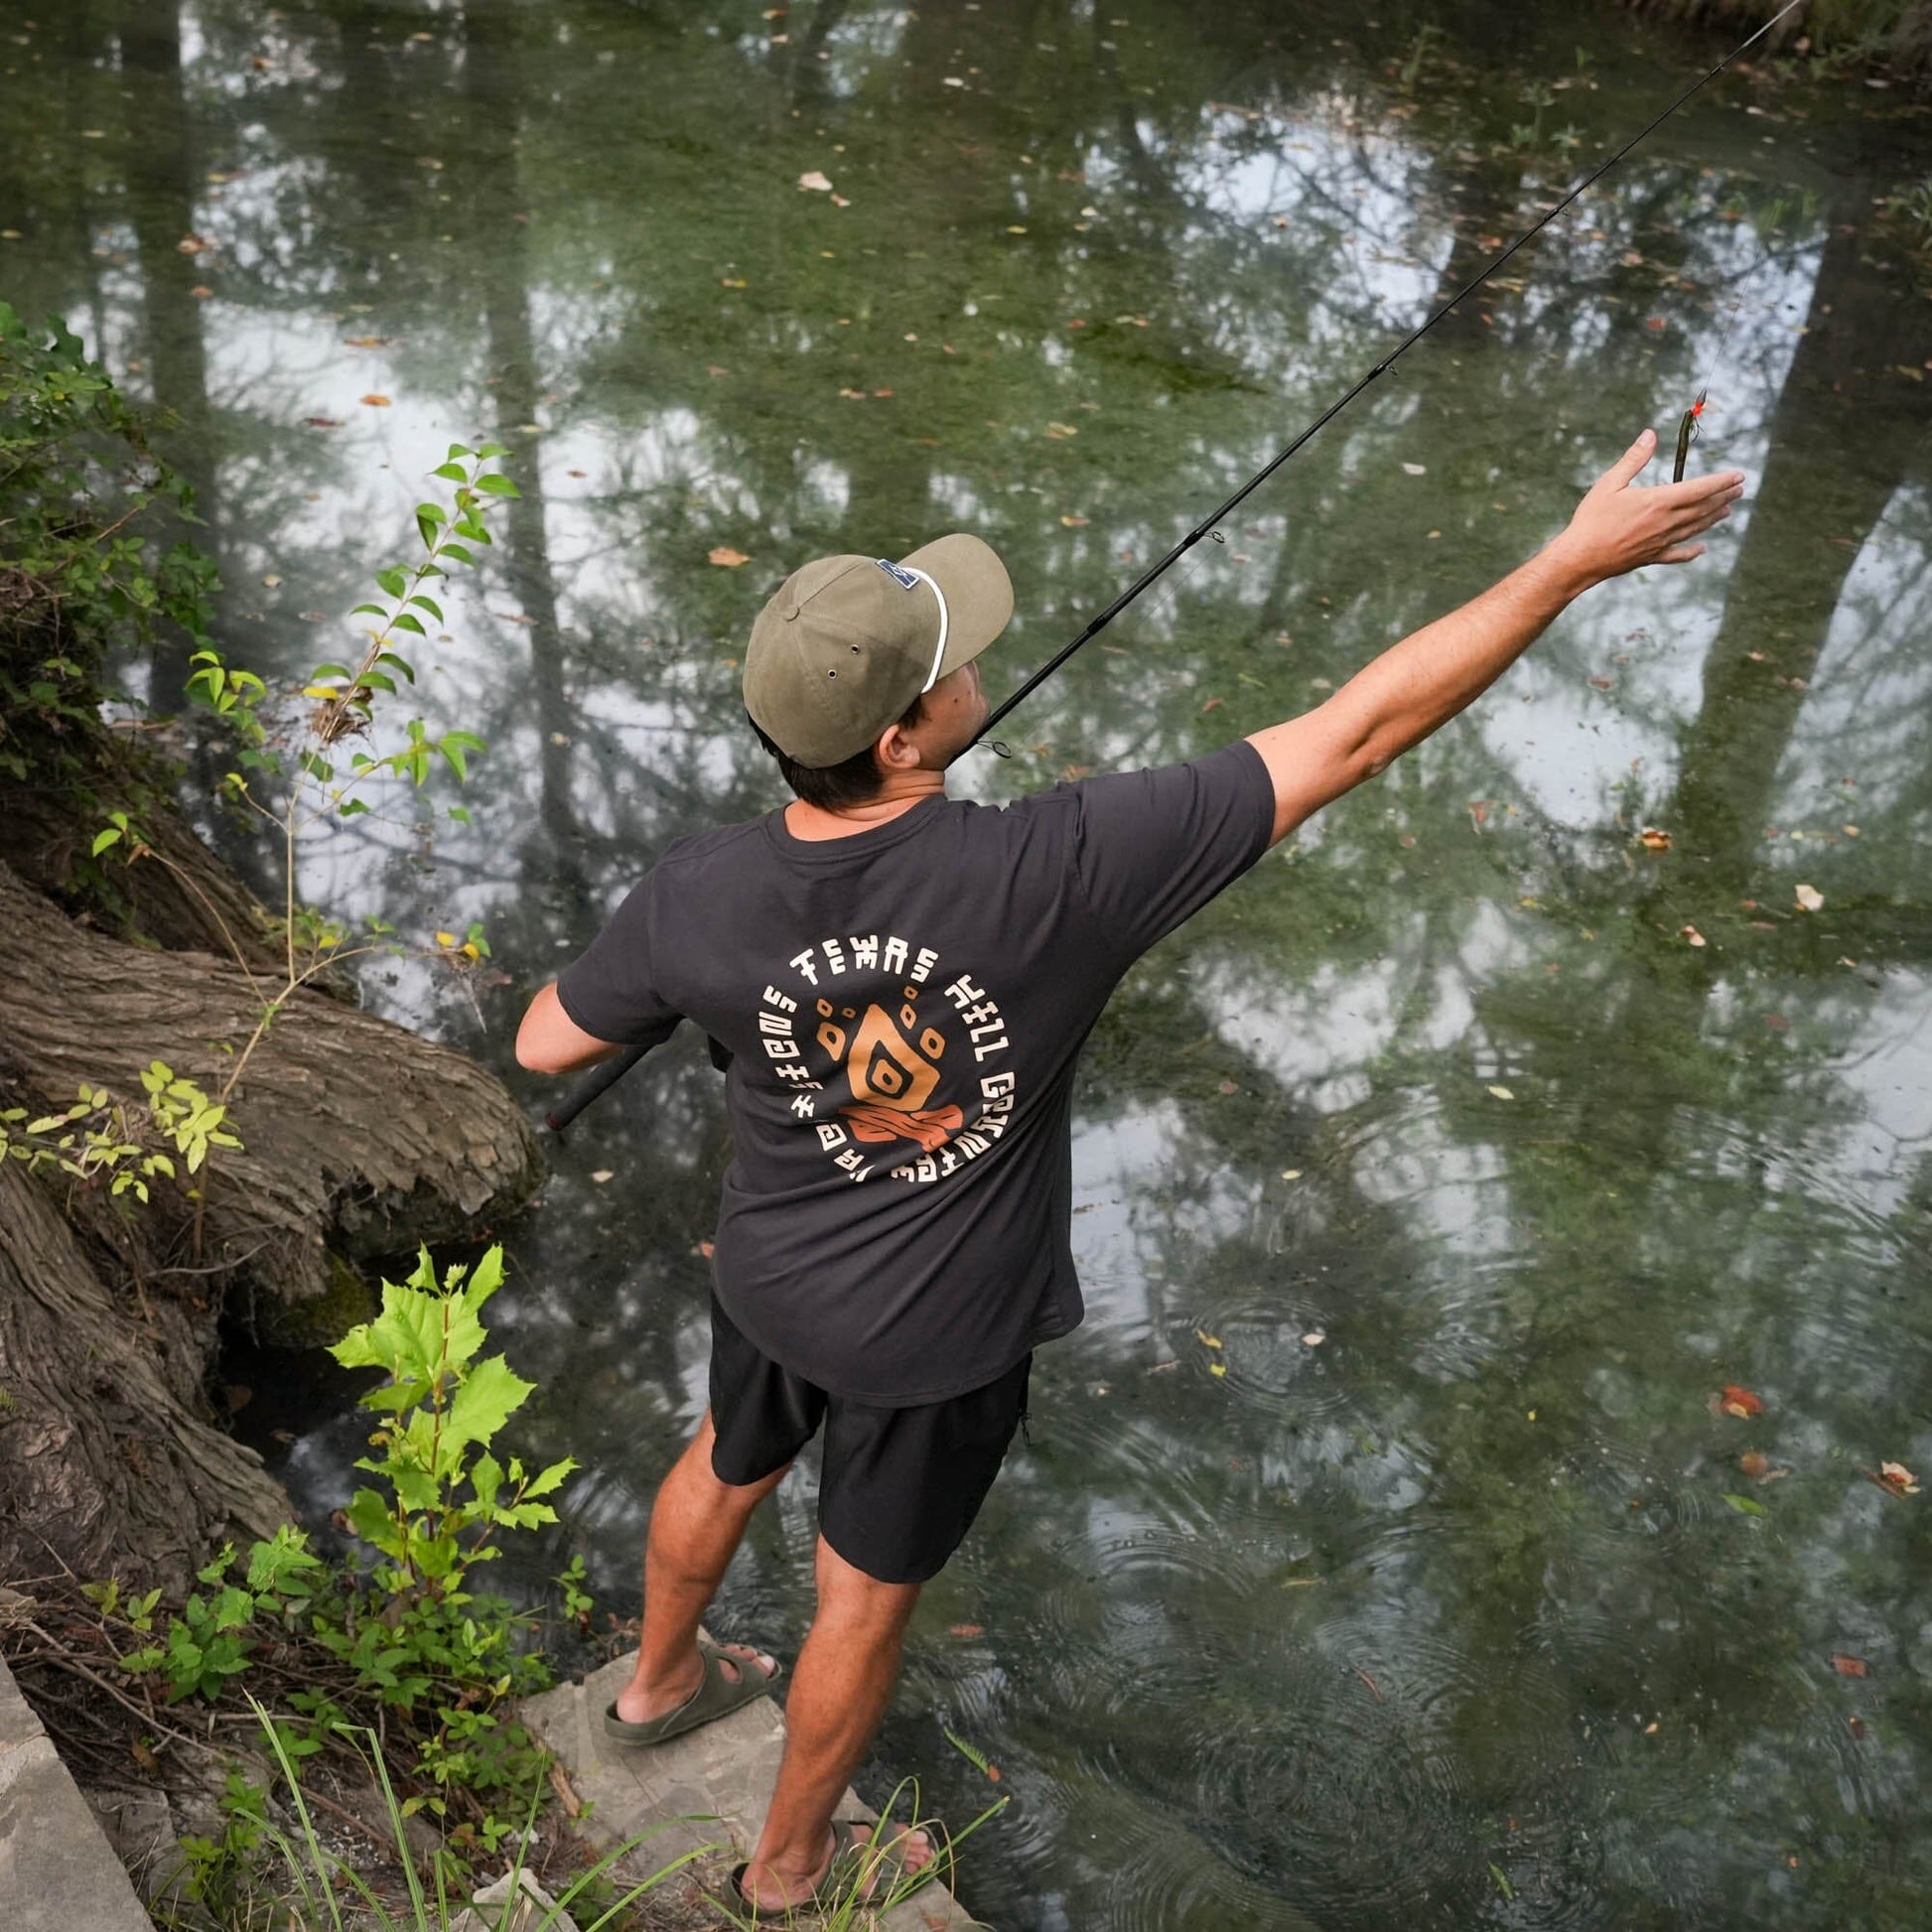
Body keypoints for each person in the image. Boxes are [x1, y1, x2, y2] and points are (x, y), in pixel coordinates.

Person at [515, 428, 1743, 1916]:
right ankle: (783, 1869)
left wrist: (722, 1003)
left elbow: (541, 1043)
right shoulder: (1060, 868)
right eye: (953, 665)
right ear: (901, 736)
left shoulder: (693, 890)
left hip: (769, 1277)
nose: (975, 670)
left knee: (726, 1457)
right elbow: (1353, 734)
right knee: (858, 1595)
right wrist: (1563, 562)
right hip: (929, 1343)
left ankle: (653, 1692)